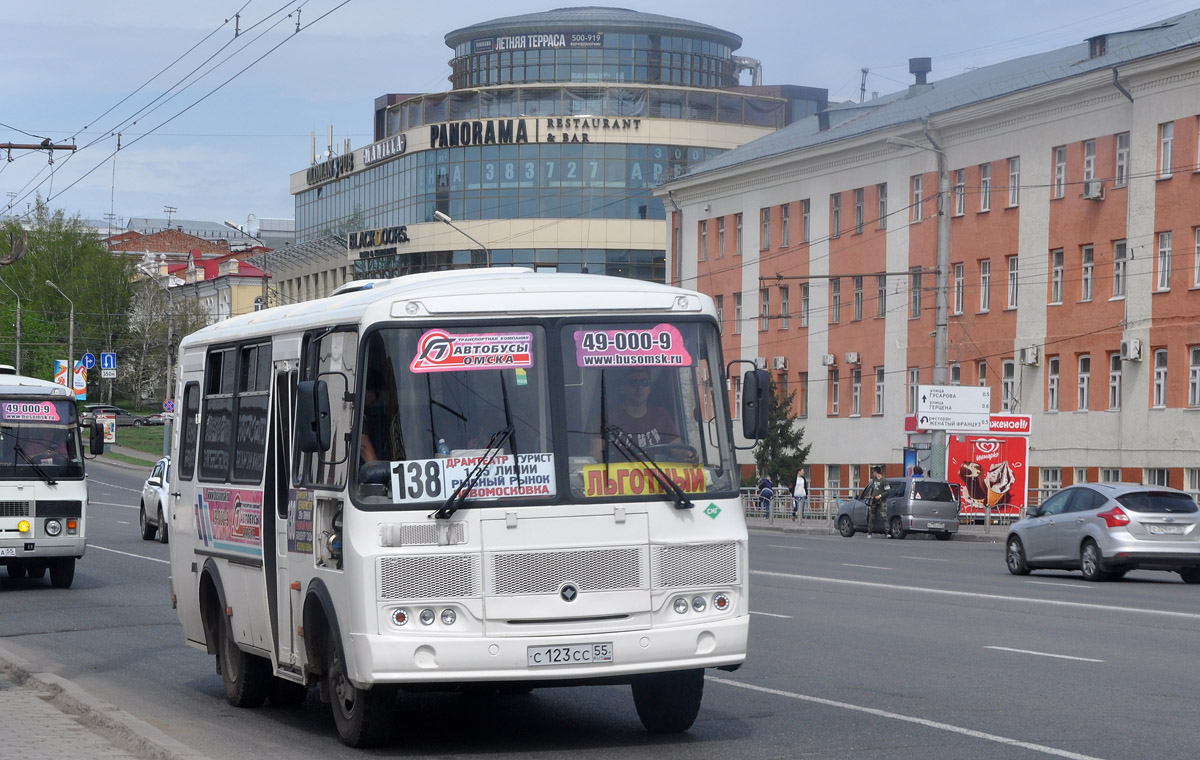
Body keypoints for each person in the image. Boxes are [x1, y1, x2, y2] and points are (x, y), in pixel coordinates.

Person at [595, 369, 693, 461]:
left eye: (644, 382)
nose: (639, 387)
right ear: (623, 388)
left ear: (649, 389)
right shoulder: (607, 418)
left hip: (655, 477)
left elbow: (677, 449)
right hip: (616, 477)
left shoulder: (661, 415)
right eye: (633, 382)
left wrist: (688, 455)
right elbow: (596, 454)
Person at [862, 465, 891, 537]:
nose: (872, 473)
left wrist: (880, 496)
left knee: (884, 516)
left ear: (876, 472)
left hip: (881, 500)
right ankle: (870, 532)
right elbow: (872, 489)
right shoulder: (874, 480)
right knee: (871, 516)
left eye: (873, 471)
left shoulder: (884, 481)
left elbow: (888, 491)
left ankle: (887, 532)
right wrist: (871, 496)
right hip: (874, 500)